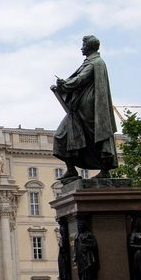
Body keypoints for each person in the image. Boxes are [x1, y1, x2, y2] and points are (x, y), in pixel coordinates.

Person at [51, 35, 118, 180]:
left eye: (83, 45)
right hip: (79, 107)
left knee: (91, 137)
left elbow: (81, 79)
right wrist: (63, 85)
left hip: (88, 108)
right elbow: (78, 79)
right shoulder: (91, 62)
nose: (81, 48)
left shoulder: (95, 63)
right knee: (66, 136)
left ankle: (104, 170)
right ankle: (71, 170)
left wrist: (64, 85)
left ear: (89, 47)